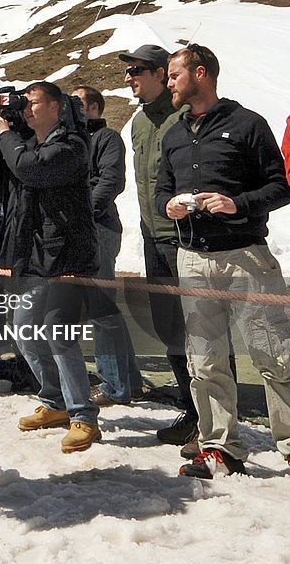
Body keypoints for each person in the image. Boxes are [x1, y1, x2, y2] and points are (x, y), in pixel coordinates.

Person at [156, 43, 290, 479]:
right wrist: (170, 206)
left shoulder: (247, 123)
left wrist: (238, 204)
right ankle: (220, 450)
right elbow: (161, 192)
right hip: (192, 260)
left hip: (246, 258)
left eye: (174, 74)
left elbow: (280, 186)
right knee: (206, 363)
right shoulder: (173, 132)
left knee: (276, 357)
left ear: (200, 73)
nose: (169, 82)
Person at [0, 81, 101, 453]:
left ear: (56, 106)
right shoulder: (27, 144)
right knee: (24, 330)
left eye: (33, 103)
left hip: (67, 254)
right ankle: (55, 401)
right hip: (33, 255)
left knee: (59, 334)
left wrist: (5, 135)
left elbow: (29, 170)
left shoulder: (71, 145)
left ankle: (83, 415)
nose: (26, 110)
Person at [121, 44, 202, 453]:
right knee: (168, 328)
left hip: (185, 239)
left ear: (158, 73)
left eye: (136, 70)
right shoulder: (137, 123)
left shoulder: (183, 117)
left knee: (200, 330)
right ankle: (192, 412)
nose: (128, 78)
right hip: (153, 236)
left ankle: (213, 418)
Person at [73, 85, 144, 405]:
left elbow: (111, 182)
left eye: (78, 103)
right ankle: (129, 381)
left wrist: (82, 214)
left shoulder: (107, 138)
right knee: (104, 308)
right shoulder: (72, 141)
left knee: (100, 308)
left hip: (99, 228)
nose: (71, 108)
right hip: (83, 231)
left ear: (95, 108)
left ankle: (114, 386)